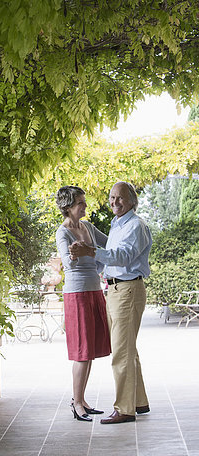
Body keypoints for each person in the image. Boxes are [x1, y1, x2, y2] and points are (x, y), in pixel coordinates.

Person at [69, 181, 152, 424]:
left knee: (121, 353)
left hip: (127, 290)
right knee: (127, 350)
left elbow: (123, 257)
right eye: (112, 197)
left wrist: (90, 251)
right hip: (115, 290)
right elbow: (109, 255)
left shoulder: (135, 225)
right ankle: (138, 401)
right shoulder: (118, 224)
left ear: (132, 201)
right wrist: (85, 249)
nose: (115, 202)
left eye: (120, 198)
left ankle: (125, 409)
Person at [55, 185, 111, 422]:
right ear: (68, 207)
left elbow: (108, 245)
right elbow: (68, 264)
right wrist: (79, 254)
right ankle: (76, 403)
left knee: (89, 352)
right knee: (81, 352)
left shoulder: (87, 227)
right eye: (81, 203)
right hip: (77, 294)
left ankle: (82, 400)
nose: (85, 205)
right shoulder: (63, 232)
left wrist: (95, 259)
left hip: (94, 291)